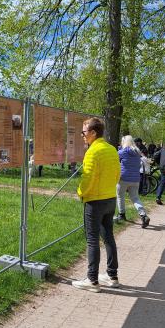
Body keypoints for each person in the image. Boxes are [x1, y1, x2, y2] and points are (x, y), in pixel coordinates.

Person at [72, 118, 121, 293]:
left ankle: (92, 280)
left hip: (95, 201)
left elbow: (88, 178)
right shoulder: (111, 149)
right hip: (110, 198)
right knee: (108, 236)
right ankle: (112, 276)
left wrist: (80, 192)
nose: (83, 135)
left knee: (92, 240)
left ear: (93, 133)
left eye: (84, 132)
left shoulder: (93, 151)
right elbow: (117, 174)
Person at [116, 135, 150, 228]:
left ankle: (121, 214)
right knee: (135, 198)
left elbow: (115, 161)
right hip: (135, 179)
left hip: (123, 178)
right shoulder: (137, 152)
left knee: (120, 196)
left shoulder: (121, 152)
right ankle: (143, 215)